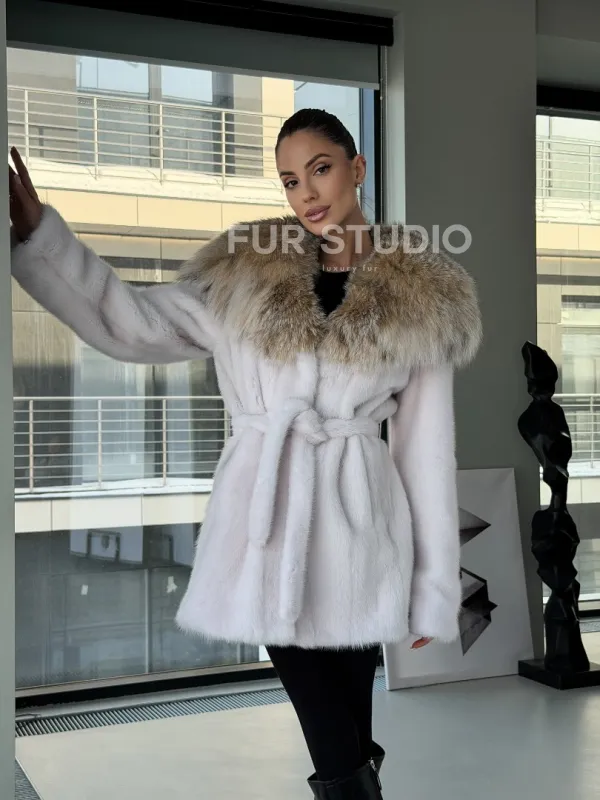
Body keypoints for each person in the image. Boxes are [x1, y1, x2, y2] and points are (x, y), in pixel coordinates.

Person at [9, 108, 482, 799]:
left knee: (351, 708)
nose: (306, 193)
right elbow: (132, 322)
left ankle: (358, 781)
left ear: (357, 168)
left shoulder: (424, 295)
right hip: (267, 512)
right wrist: (42, 240)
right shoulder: (244, 275)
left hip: (361, 517)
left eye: (320, 169)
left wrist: (433, 586)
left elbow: (426, 453)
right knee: (322, 707)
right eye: (290, 180)